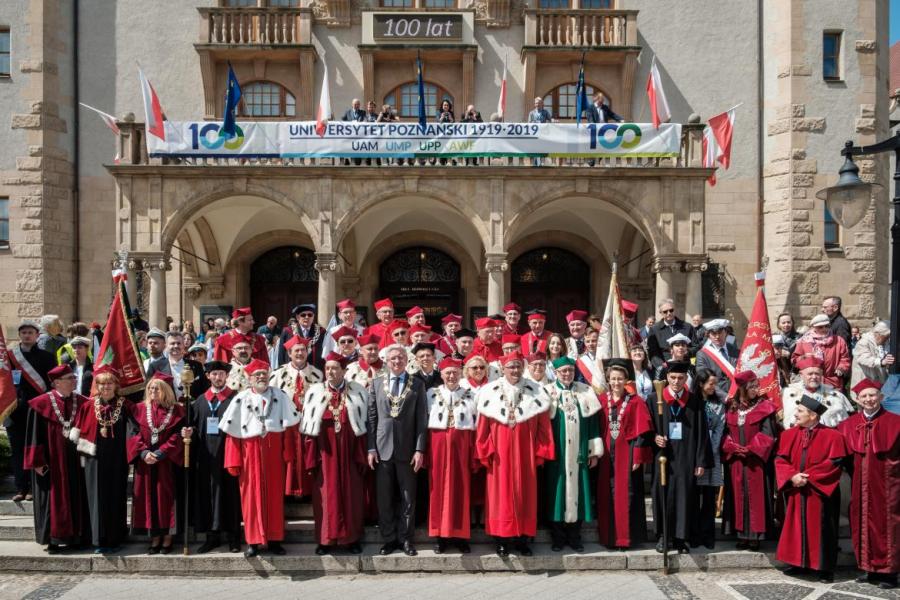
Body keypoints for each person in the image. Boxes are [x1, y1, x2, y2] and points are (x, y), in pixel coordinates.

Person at [475, 351, 554, 557]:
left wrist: (540, 452)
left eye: (518, 366)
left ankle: (522, 540)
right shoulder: (489, 392)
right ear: (503, 369)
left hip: (525, 454)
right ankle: (501, 540)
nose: (515, 370)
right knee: (500, 497)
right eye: (511, 367)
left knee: (524, 495)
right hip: (499, 457)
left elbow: (544, 428)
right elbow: (483, 428)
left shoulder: (536, 391)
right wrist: (485, 451)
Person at [219, 359, 301, 557]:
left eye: (264, 374)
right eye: (257, 375)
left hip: (274, 453)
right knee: (250, 498)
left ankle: (274, 540)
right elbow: (233, 434)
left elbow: (290, 429)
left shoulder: (280, 396)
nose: (261, 377)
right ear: (249, 378)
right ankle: (253, 541)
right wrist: (233, 461)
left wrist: (289, 454)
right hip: (250, 453)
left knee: (274, 498)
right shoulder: (241, 398)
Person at [301, 352, 369, 555]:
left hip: (350, 452)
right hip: (325, 453)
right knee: (325, 497)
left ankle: (352, 539)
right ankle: (325, 540)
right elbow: (308, 430)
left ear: (343, 371)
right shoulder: (314, 392)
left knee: (351, 496)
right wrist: (312, 457)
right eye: (327, 368)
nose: (330, 372)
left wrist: (362, 454)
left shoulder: (358, 391)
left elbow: (364, 425)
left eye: (334, 368)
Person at [775, 394, 847, 583]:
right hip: (797, 489)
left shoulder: (834, 436)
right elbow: (781, 459)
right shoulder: (788, 434)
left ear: (813, 415)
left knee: (824, 530)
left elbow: (835, 463)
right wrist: (792, 476)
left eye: (800, 411)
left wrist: (808, 478)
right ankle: (798, 563)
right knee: (796, 526)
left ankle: (824, 568)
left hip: (821, 492)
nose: (795, 414)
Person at [839, 379, 900, 590]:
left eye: (872, 395)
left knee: (887, 526)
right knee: (861, 522)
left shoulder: (896, 422)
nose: (869, 399)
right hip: (860, 484)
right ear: (857, 400)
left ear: (881, 397)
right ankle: (868, 568)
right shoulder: (848, 424)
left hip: (888, 484)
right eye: (864, 396)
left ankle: (890, 572)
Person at [646, 360, 713, 554]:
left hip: (686, 455)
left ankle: (681, 538)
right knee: (662, 495)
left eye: (680, 378)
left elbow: (702, 433)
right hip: (663, 456)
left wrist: (701, 461)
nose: (676, 382)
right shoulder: (654, 398)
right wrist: (654, 437)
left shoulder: (694, 401)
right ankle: (663, 536)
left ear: (686, 379)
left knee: (685, 496)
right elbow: (647, 427)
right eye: (672, 377)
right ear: (666, 378)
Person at [368, 345, 428, 557]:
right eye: (393, 358)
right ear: (386, 361)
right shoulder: (376, 384)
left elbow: (422, 420)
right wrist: (371, 447)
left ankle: (406, 539)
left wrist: (420, 449)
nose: (397, 362)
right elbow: (372, 418)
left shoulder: (417, 384)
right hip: (382, 450)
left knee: (407, 497)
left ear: (406, 360)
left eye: (401, 358)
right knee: (384, 498)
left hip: (407, 450)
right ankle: (389, 539)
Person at [24, 364, 88, 553]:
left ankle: (76, 536)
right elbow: (34, 435)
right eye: (70, 378)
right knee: (53, 499)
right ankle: (53, 539)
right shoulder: (40, 404)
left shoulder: (83, 402)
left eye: (74, 377)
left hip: (76, 461)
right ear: (57, 383)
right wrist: (37, 462)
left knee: (77, 496)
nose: (74, 381)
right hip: (51, 462)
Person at [182, 360, 242, 554]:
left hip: (228, 455)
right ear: (208, 376)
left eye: (221, 374)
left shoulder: (235, 398)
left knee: (230, 495)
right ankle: (212, 537)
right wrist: (188, 432)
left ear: (227, 376)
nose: (218, 377)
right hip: (206, 457)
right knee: (207, 496)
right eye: (214, 374)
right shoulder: (199, 401)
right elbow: (194, 426)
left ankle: (234, 537)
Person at [543, 356, 602, 552]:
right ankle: (558, 537)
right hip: (557, 456)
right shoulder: (548, 392)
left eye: (570, 371)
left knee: (579, 492)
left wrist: (593, 452)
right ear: (556, 373)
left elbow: (593, 424)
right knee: (556, 494)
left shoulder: (585, 392)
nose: (567, 374)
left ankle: (575, 537)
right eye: (563, 371)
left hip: (579, 453)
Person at [70, 365, 130, 553]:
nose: (106, 387)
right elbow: (78, 432)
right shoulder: (88, 406)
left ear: (116, 385)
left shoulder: (125, 405)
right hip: (93, 459)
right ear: (97, 385)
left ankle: (115, 538)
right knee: (96, 498)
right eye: (102, 384)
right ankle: (98, 539)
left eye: (110, 383)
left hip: (117, 459)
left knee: (115, 496)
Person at [596, 359, 654, 550]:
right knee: (606, 495)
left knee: (625, 495)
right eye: (613, 379)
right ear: (608, 379)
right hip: (605, 455)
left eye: (620, 379)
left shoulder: (636, 401)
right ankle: (608, 538)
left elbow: (642, 433)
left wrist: (637, 455)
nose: (616, 383)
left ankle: (624, 539)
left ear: (626, 380)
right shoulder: (602, 400)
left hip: (626, 454)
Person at [128, 373, 184, 554]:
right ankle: (154, 538)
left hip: (166, 463)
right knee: (148, 499)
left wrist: (161, 452)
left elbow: (177, 436)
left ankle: (167, 538)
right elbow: (133, 433)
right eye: (150, 387)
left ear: (166, 390)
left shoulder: (177, 411)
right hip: (145, 464)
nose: (152, 391)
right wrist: (144, 452)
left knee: (165, 500)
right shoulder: (138, 409)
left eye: (157, 388)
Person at [426, 357, 478, 553]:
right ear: (441, 374)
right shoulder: (431, 394)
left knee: (461, 490)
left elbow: (476, 425)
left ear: (461, 374)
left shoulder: (470, 395)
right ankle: (440, 536)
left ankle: (460, 535)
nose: (451, 376)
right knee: (437, 491)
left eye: (455, 372)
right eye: (448, 372)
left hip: (461, 448)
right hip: (438, 447)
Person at [721, 370, 777, 551]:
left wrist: (751, 449)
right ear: (742, 388)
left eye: (756, 386)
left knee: (756, 496)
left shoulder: (765, 407)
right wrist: (731, 447)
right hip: (736, 460)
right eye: (752, 387)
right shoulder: (731, 407)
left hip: (756, 462)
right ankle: (741, 534)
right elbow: (725, 433)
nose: (756, 389)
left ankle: (755, 536)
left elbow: (768, 434)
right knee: (737, 496)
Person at [269, 334, 324, 497]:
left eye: (303, 350)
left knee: (308, 454)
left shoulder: (317, 374)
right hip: (287, 424)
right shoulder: (278, 374)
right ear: (289, 353)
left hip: (308, 423)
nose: (300, 353)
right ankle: (288, 492)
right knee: (288, 455)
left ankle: (307, 491)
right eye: (296, 351)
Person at [8, 319, 56, 502]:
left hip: (38, 412)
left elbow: (52, 386)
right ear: (19, 335)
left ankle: (36, 488)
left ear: (37, 336)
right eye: (23, 333)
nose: (27, 335)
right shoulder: (10, 358)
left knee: (38, 449)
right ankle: (21, 487)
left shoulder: (47, 357)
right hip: (15, 412)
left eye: (30, 332)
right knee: (18, 450)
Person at [691, 369, 726, 549]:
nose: (714, 387)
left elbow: (720, 427)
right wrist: (697, 454)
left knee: (709, 498)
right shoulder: (691, 402)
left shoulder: (718, 405)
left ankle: (708, 534)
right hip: (693, 455)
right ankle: (694, 533)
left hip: (711, 455)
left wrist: (709, 452)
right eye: (711, 384)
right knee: (694, 497)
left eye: (715, 384)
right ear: (700, 384)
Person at [781, 356, 853, 429]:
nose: (814, 377)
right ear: (801, 375)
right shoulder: (787, 393)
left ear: (821, 375)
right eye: (810, 374)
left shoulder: (836, 395)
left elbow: (845, 425)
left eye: (817, 374)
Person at [792, 314, 851, 389]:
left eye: (827, 326)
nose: (824, 329)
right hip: (810, 381)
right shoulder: (804, 341)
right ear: (813, 327)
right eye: (820, 327)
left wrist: (841, 367)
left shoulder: (839, 340)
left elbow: (845, 358)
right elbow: (794, 360)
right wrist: (803, 357)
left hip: (832, 381)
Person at [145, 331, 208, 400]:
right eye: (172, 343)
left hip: (191, 409)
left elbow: (204, 390)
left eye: (178, 343)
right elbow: (148, 391)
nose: (176, 346)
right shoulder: (155, 366)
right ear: (166, 346)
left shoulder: (196, 365)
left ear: (183, 345)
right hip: (166, 409)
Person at [646, 299, 696, 370]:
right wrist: (662, 365)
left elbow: (696, 346)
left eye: (671, 310)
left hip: (686, 365)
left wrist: (686, 352)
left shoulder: (687, 327)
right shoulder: (654, 330)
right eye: (665, 311)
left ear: (674, 310)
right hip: (665, 367)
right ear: (661, 313)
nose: (669, 313)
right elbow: (653, 352)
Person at [695, 319, 739, 395]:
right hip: (716, 398)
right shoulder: (702, 354)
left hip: (736, 395)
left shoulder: (735, 351)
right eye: (713, 334)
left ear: (726, 333)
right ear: (708, 335)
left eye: (720, 333)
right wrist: (725, 397)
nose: (717, 336)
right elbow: (705, 379)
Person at [850, 320, 893, 395]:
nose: (887, 339)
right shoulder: (863, 342)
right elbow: (864, 358)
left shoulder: (883, 342)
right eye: (885, 337)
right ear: (877, 334)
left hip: (878, 384)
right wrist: (881, 362)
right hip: (864, 384)